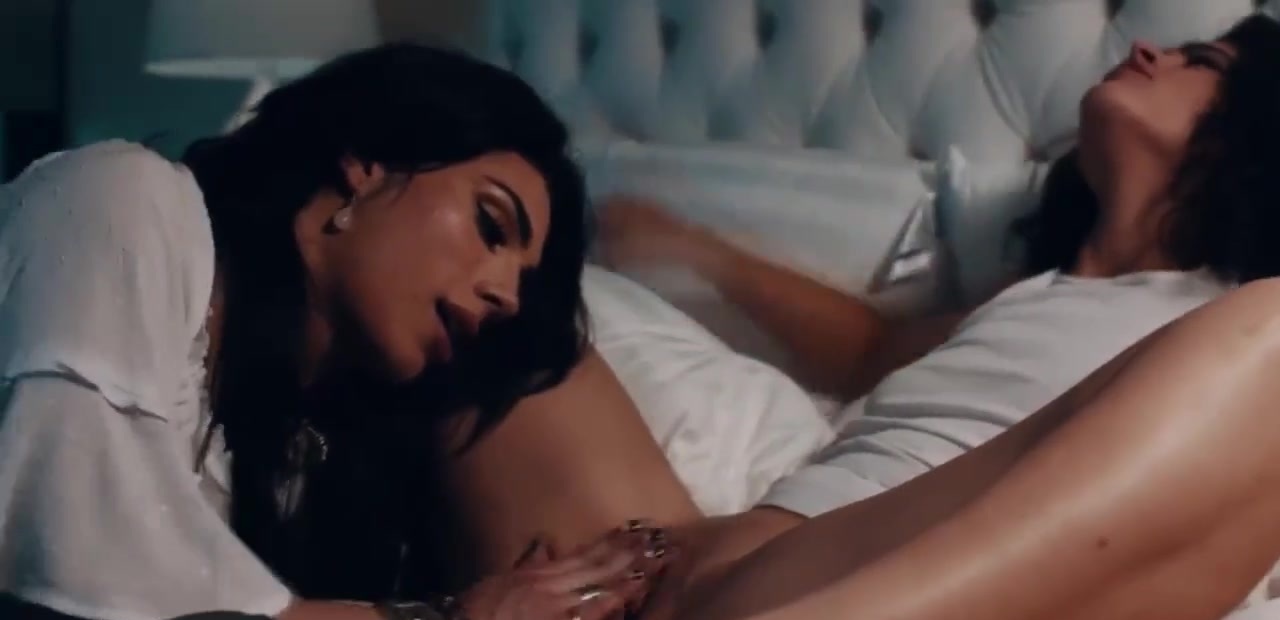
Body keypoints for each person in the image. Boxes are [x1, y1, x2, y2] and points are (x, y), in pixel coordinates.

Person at [425, 12, 1280, 620]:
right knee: (493, 310)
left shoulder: (1226, 320)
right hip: (690, 562)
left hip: (854, 587)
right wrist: (698, 253)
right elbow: (872, 348)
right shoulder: (1034, 295)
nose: (1146, 48)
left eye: (1200, 60)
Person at [0, 44, 672, 620]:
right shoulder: (117, 200)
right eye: (490, 225)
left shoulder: (304, 454)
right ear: (367, 162)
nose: (505, 296)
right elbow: (70, 543)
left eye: (523, 284)